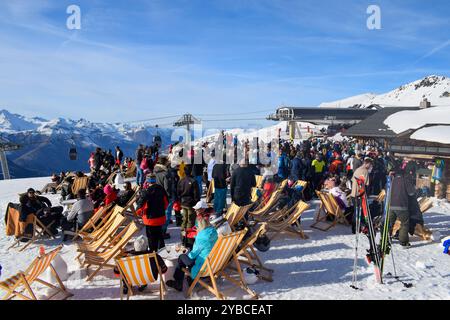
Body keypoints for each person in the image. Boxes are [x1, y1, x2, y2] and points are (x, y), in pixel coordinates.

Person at [166, 208, 218, 292]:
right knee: (188, 257)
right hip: (213, 263)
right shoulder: (213, 232)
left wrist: (185, 253)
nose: (196, 227)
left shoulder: (201, 236)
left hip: (203, 266)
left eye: (197, 225)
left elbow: (192, 255)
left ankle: (178, 283)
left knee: (182, 257)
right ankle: (188, 279)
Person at [136, 173, 169, 252]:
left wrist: (140, 213)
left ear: (147, 181)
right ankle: (162, 253)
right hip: (160, 217)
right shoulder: (161, 189)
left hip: (150, 219)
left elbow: (139, 208)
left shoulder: (146, 192)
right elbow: (166, 202)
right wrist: (161, 210)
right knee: (160, 236)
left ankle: (153, 254)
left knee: (151, 239)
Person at [388, 167, 417, 247]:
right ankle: (403, 242)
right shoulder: (405, 180)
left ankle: (386, 240)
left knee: (389, 223)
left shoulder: (391, 181)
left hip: (391, 206)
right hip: (402, 206)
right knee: (404, 224)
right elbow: (411, 193)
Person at [177, 165, 201, 243]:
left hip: (184, 202)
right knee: (190, 220)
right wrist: (197, 203)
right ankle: (188, 238)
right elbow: (196, 194)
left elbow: (178, 192)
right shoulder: (193, 181)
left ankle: (183, 234)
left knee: (185, 218)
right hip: (190, 203)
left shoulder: (181, 180)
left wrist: (180, 199)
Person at [350, 157, 373, 233]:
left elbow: (352, 180)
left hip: (354, 193)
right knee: (359, 212)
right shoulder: (365, 171)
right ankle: (357, 227)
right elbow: (367, 184)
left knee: (355, 211)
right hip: (360, 194)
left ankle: (354, 227)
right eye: (369, 165)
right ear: (366, 164)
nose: (370, 167)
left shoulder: (358, 169)